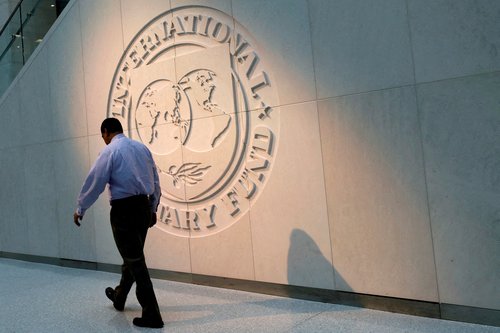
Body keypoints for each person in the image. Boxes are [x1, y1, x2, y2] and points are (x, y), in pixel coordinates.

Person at [73, 118, 164, 329]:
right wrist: (152, 208)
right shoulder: (142, 148)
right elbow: (156, 181)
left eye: (102, 135)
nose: (103, 139)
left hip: (124, 211)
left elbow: (95, 181)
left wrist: (80, 208)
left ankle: (152, 314)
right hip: (143, 207)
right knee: (132, 257)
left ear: (106, 132)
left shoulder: (110, 151)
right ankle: (119, 296)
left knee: (135, 260)